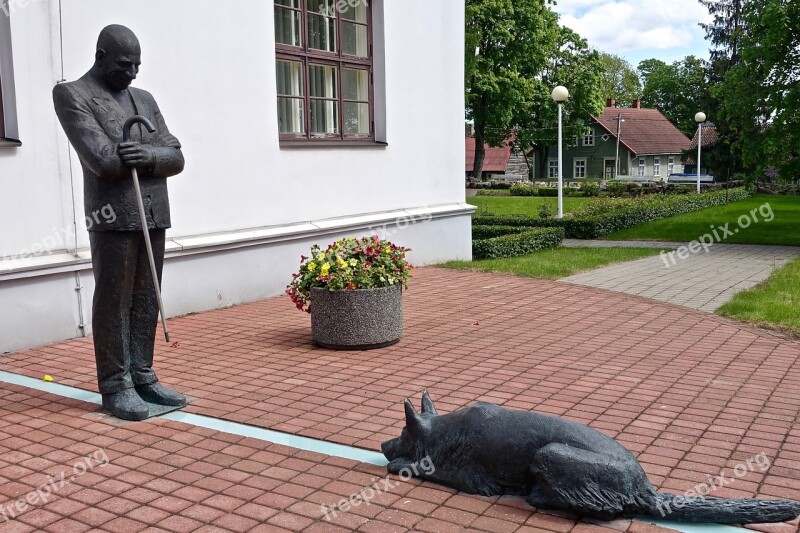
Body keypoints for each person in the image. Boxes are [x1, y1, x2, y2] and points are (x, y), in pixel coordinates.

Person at [53, 24, 186, 421]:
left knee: (147, 299)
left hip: (153, 213)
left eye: (137, 66)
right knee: (114, 301)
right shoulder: (72, 94)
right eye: (124, 65)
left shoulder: (144, 99)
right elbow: (104, 160)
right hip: (111, 217)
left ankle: (143, 375)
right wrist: (149, 152)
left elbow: (176, 157)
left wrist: (146, 156)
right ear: (101, 56)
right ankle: (115, 384)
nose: (132, 74)